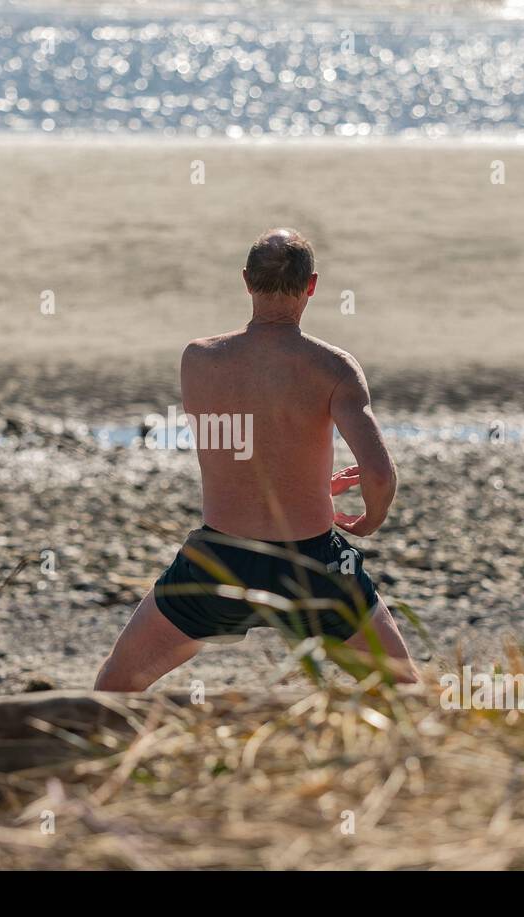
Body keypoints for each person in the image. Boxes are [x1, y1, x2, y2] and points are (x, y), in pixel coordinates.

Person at [94, 228, 418, 691]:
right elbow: (380, 475)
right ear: (312, 285)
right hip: (312, 565)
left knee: (117, 685)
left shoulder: (200, 360)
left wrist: (300, 488)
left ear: (246, 281)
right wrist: (369, 517)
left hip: (222, 559)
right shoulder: (334, 368)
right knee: (404, 692)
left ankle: (95, 759)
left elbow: (237, 447)